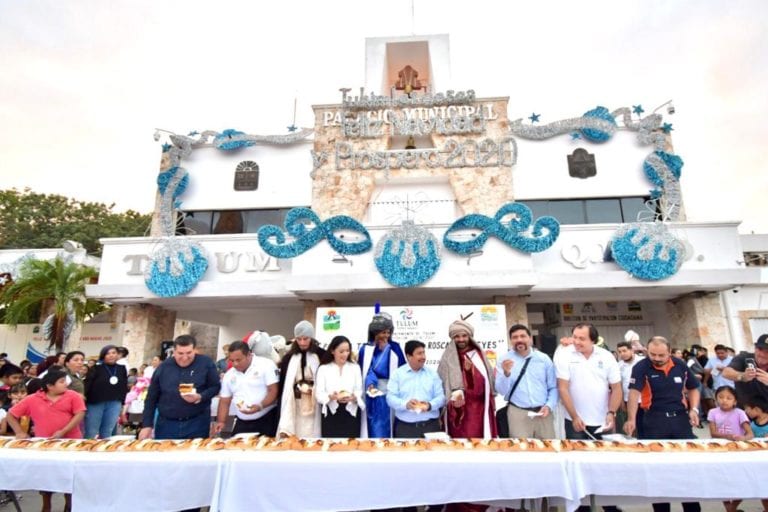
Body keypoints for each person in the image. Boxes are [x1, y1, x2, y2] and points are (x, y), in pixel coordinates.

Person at [623, 336, 701, 512]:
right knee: (657, 470)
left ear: (670, 352)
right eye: (653, 354)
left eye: (661, 355)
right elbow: (634, 394)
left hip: (680, 420)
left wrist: (694, 410)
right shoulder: (641, 367)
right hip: (654, 421)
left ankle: (692, 508)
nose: (657, 358)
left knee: (686, 468)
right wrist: (631, 419)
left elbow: (693, 388)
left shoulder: (680, 365)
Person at [6, 369, 86, 512]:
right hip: (45, 444)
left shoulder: (72, 396)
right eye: (61, 382)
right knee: (47, 474)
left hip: (71, 442)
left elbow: (79, 414)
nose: (65, 384)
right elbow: (11, 415)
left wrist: (63, 431)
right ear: (50, 386)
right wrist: (19, 432)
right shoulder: (33, 399)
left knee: (70, 474)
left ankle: (69, 503)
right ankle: (46, 504)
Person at [139, 335, 220, 440]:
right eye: (180, 353)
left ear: (195, 350)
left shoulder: (206, 363)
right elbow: (151, 398)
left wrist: (200, 396)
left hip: (197, 422)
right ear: (174, 351)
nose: (185, 357)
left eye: (189, 353)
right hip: (167, 424)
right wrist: (147, 425)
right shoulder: (163, 367)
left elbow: (215, 387)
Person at [555, 323, 622, 440]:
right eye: (574, 337)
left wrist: (611, 413)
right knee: (577, 456)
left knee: (606, 455)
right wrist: (574, 416)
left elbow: (616, 388)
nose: (576, 341)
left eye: (582, 339)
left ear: (593, 340)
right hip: (574, 420)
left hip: (603, 420)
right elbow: (562, 388)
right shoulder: (564, 354)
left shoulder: (606, 356)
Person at [438, 319, 498, 438]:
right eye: (457, 336)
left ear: (469, 336)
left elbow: (482, 388)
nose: (461, 339)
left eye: (464, 336)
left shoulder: (477, 356)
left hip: (476, 412)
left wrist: (469, 373)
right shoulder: (447, 358)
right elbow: (441, 384)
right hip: (455, 413)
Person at [495, 324, 557, 439]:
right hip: (518, 413)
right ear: (511, 340)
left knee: (547, 450)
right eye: (515, 337)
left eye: (523, 336)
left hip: (543, 413)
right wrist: (506, 374)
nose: (519, 340)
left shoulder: (543, 359)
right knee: (521, 451)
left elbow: (553, 387)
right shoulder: (504, 360)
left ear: (530, 338)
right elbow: (501, 391)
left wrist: (549, 406)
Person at [215, 341, 279, 436]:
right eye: (231, 361)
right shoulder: (229, 374)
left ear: (249, 355)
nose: (235, 364)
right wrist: (221, 421)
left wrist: (259, 406)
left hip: (267, 418)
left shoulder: (266, 365)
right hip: (242, 420)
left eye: (238, 360)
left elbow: (274, 390)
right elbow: (224, 401)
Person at [359, 312, 406, 437]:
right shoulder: (366, 348)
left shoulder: (395, 347)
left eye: (388, 332)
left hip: (391, 391)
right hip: (371, 392)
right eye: (383, 332)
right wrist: (370, 384)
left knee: (389, 424)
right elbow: (365, 371)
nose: (386, 335)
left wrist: (388, 350)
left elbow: (402, 368)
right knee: (374, 425)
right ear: (375, 332)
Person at [387, 340, 446, 438]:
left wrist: (429, 405)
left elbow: (441, 398)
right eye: (419, 353)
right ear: (409, 356)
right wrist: (406, 404)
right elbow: (390, 398)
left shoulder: (432, 374)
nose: (423, 357)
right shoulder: (397, 374)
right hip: (405, 428)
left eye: (424, 353)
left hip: (431, 427)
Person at [277, 320, 326, 437]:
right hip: (295, 403)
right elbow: (284, 384)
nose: (302, 342)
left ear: (312, 338)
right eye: (299, 339)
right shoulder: (288, 358)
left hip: (314, 403)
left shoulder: (322, 355)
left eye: (306, 339)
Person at [315, 335, 364, 437]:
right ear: (333, 351)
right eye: (341, 351)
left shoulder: (355, 367)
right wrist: (330, 397)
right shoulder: (323, 369)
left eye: (347, 351)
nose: (345, 354)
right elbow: (319, 393)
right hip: (331, 414)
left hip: (351, 412)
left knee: (351, 445)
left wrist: (354, 397)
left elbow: (359, 389)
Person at [84, 345, 128, 439]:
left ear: (117, 355)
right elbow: (87, 384)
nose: (111, 355)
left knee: (108, 430)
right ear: (103, 355)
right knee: (91, 430)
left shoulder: (122, 368)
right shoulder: (96, 368)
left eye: (113, 353)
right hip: (96, 402)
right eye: (108, 353)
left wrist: (122, 403)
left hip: (114, 402)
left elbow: (124, 386)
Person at [722, 333, 768, 406]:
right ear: (755, 348)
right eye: (760, 349)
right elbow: (726, 372)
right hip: (745, 411)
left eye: (767, 351)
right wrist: (743, 376)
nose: (762, 354)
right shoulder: (744, 358)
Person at [616, 340, 644, 437]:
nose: (622, 354)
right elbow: (619, 385)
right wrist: (621, 402)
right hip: (628, 400)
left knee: (644, 424)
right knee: (632, 425)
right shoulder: (618, 366)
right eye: (619, 352)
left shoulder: (642, 361)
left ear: (632, 350)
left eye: (624, 351)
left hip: (643, 399)